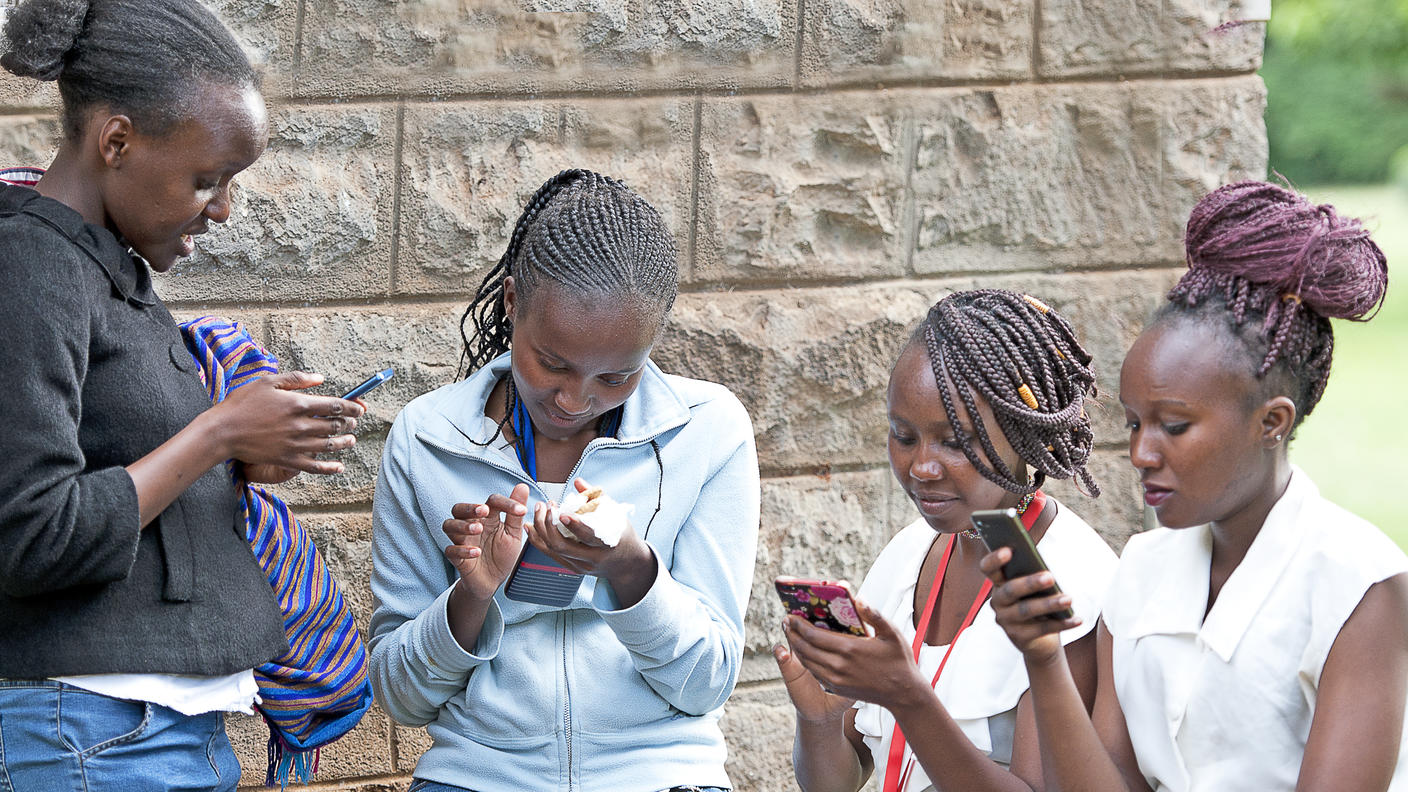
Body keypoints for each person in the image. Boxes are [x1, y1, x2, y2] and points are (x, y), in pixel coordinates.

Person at [0, 0, 366, 789]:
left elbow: (120, 480)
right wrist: (218, 435)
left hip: (151, 735)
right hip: (92, 736)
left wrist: (240, 458)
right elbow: (27, 533)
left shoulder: (101, 271)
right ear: (117, 141)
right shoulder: (30, 264)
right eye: (208, 178)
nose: (225, 208)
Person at [984, 180, 1408, 791]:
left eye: (1174, 426)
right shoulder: (1142, 569)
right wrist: (1044, 657)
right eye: (1134, 423)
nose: (1140, 453)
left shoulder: (1356, 584)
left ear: (1272, 422)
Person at [368, 168, 761, 792]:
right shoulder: (427, 439)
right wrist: (474, 596)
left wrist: (631, 570)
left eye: (616, 377)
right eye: (551, 364)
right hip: (477, 776)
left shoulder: (709, 432)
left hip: (662, 775)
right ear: (511, 303)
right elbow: (400, 698)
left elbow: (708, 682)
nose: (575, 400)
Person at [774, 289, 1119, 792]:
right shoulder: (908, 553)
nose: (921, 467)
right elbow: (835, 783)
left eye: (954, 442)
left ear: (1021, 432)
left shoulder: (1071, 581)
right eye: (904, 435)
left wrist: (909, 698)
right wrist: (820, 720)